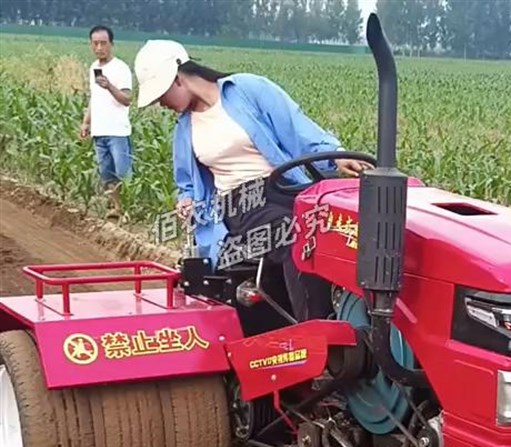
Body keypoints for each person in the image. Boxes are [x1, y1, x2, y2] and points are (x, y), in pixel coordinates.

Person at [133, 39, 372, 327]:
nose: (162, 104)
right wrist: (186, 200)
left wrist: (334, 159)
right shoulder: (184, 130)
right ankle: (318, 331)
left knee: (348, 229)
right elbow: (186, 183)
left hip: (286, 189)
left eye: (161, 96)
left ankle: (364, 324)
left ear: (178, 80)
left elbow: (297, 128)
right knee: (297, 233)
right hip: (240, 206)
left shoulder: (248, 90)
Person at [80, 25, 133, 221]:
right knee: (107, 173)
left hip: (117, 131)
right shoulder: (94, 67)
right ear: (91, 45)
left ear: (111, 44)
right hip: (99, 130)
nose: (99, 47)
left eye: (103, 43)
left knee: (123, 172)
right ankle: (116, 209)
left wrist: (110, 86)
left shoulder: (121, 68)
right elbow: (94, 99)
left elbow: (127, 99)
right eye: (95, 44)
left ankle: (129, 210)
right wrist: (86, 123)